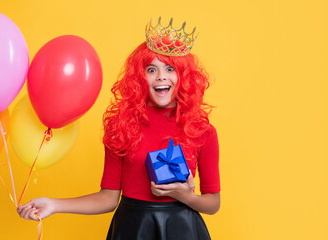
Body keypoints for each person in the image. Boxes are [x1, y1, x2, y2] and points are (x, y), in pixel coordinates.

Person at [17, 17, 220, 240]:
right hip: (133, 229)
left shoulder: (202, 131)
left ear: (183, 76)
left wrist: (185, 197)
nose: (161, 76)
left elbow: (212, 203)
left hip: (183, 230)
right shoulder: (122, 126)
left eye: (170, 68)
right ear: (140, 77)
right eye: (151, 69)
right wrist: (54, 204)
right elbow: (108, 199)